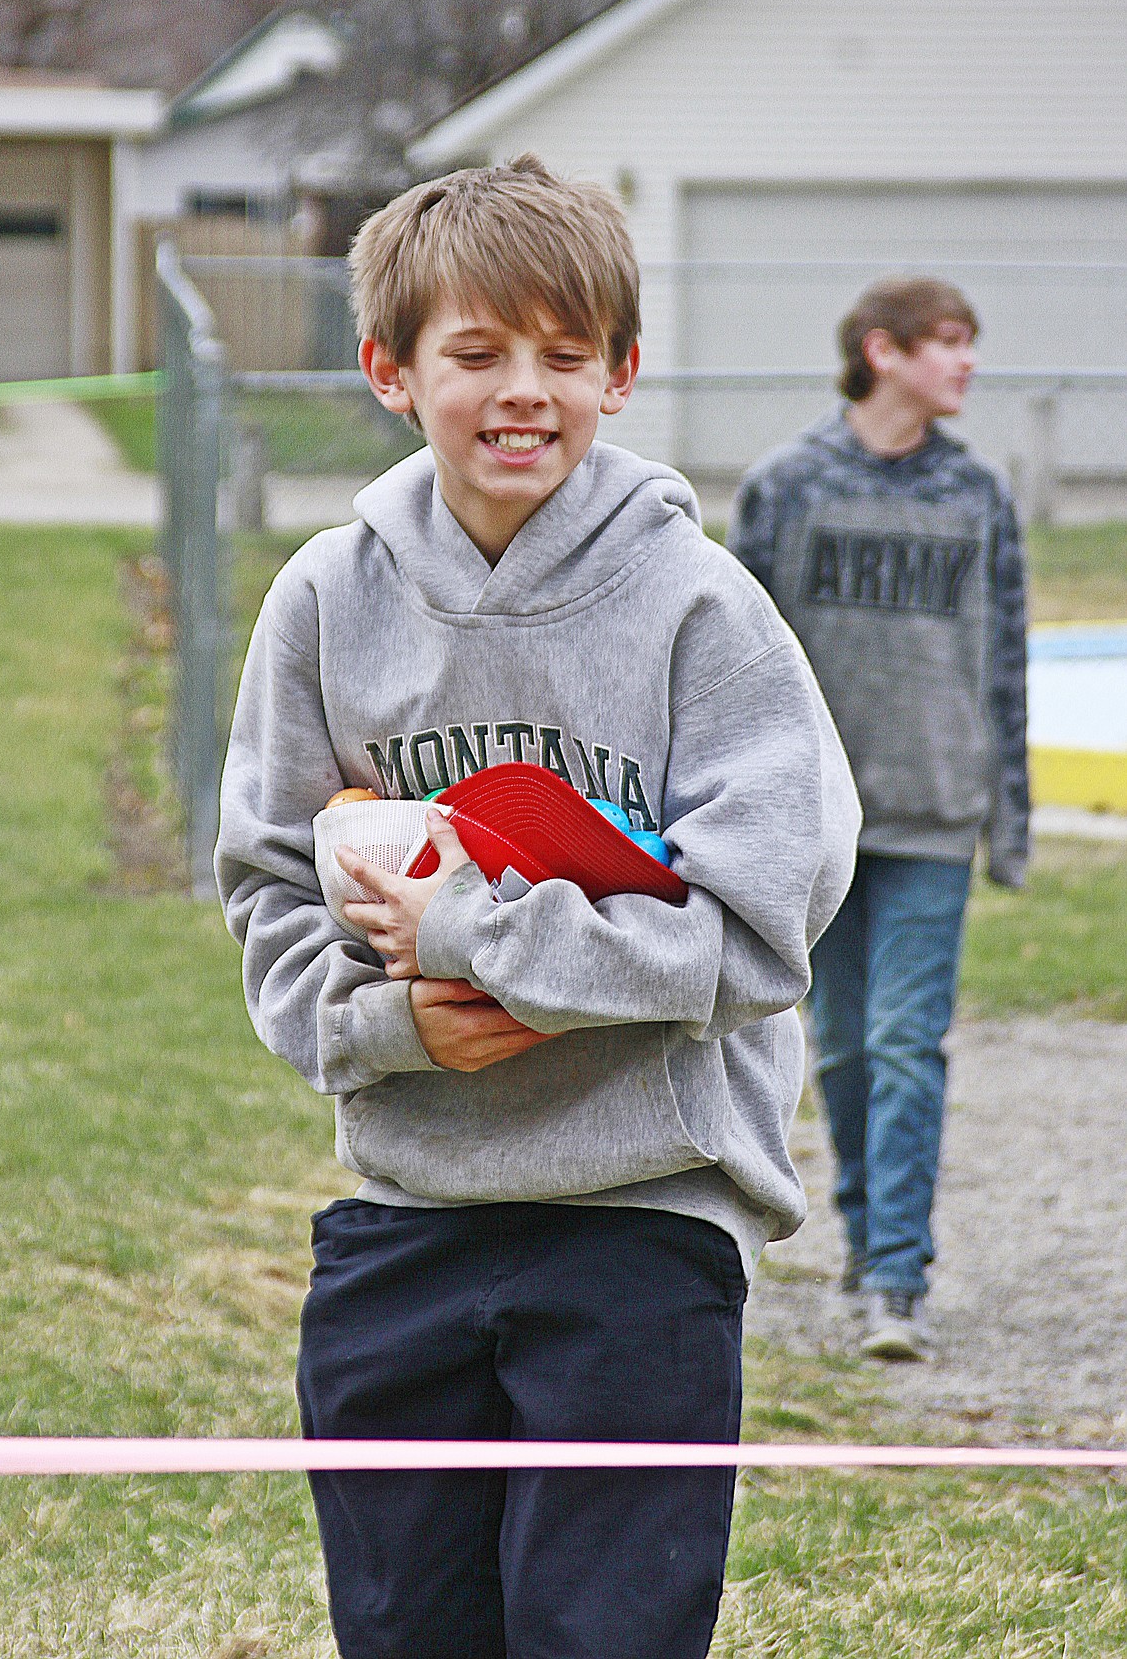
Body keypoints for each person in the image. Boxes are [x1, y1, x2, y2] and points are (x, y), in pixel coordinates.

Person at [215, 155, 860, 1659]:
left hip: (642, 1222)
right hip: (404, 1217)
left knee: (602, 1634)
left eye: (565, 355)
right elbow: (263, 878)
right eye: (477, 351)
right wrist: (397, 1023)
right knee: (405, 1630)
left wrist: (471, 940)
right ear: (390, 370)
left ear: (620, 373)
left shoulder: (703, 609)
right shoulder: (326, 599)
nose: (524, 391)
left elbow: (757, 933)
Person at [728, 276, 1029, 1363]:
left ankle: (898, 1276)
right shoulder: (786, 486)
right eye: (948, 341)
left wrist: (1013, 820)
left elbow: (1003, 660)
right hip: (818, 829)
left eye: (969, 341)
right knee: (847, 1050)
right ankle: (864, 1241)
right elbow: (732, 674)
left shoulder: (980, 495)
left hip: (936, 816)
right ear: (881, 351)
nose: (967, 362)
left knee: (908, 1045)